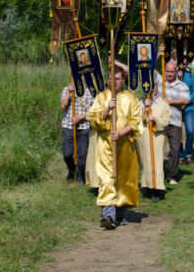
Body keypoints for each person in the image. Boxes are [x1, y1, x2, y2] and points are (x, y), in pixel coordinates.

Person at [87, 68, 143, 229]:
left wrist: (120, 133)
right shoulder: (101, 97)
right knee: (107, 179)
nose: (114, 82)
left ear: (123, 80)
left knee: (123, 180)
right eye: (111, 78)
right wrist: (106, 110)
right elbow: (93, 118)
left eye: (117, 79)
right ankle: (108, 215)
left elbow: (136, 121)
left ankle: (120, 213)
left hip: (125, 146)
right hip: (105, 146)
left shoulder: (130, 98)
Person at [155, 60, 189, 185]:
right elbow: (149, 67)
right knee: (157, 148)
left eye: (172, 72)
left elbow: (186, 100)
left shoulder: (181, 86)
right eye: (167, 71)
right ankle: (158, 173)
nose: (169, 74)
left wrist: (170, 101)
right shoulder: (159, 81)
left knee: (174, 150)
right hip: (159, 121)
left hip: (174, 121)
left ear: (176, 72)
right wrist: (159, 52)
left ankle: (171, 176)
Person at [136, 88, 170, 202]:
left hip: (157, 137)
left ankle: (156, 189)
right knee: (145, 161)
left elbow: (166, 121)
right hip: (143, 137)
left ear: (155, 90)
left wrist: (155, 119)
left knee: (156, 162)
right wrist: (145, 107)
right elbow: (135, 119)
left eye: (152, 89)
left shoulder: (164, 105)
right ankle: (146, 186)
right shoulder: (140, 103)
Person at [60, 81, 94, 183]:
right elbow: (63, 106)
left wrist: (81, 117)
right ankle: (71, 170)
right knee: (67, 153)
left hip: (83, 126)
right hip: (68, 126)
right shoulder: (67, 90)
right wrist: (69, 93)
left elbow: (94, 109)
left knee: (82, 153)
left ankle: (80, 174)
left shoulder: (90, 91)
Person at [177, 65, 194, 165]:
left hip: (188, 108)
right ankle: (180, 156)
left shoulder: (191, 76)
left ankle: (188, 154)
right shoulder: (173, 75)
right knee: (177, 133)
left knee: (190, 131)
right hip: (176, 108)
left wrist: (186, 101)